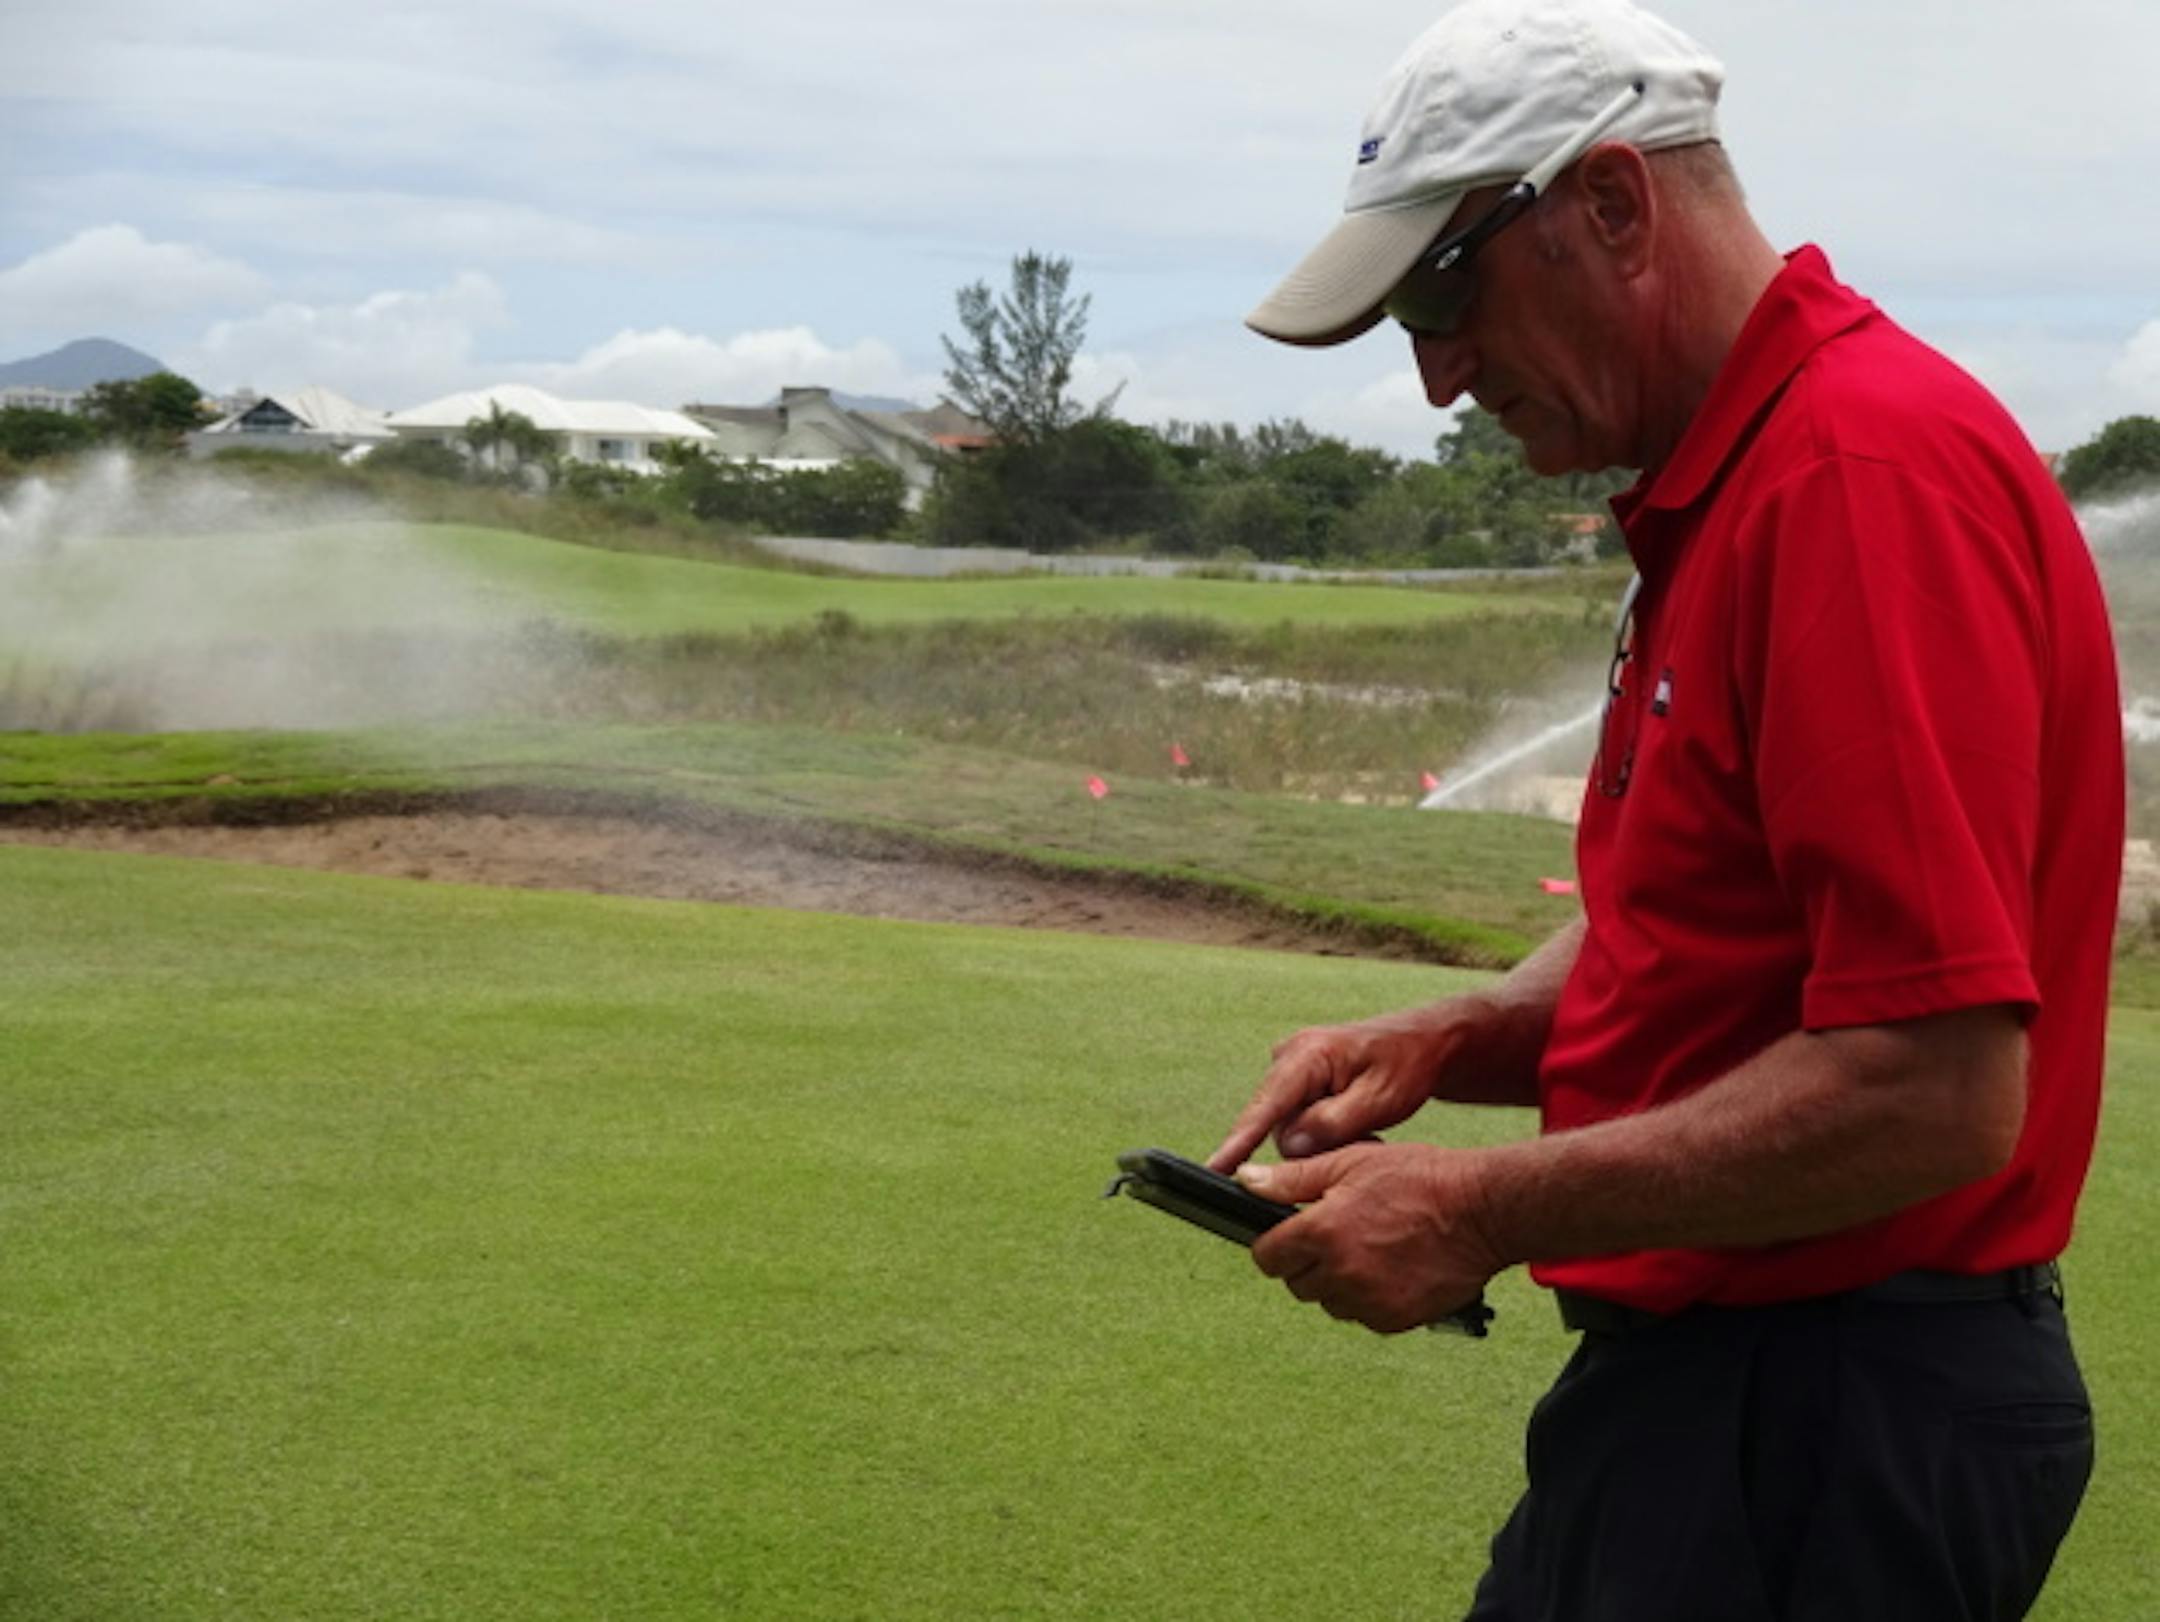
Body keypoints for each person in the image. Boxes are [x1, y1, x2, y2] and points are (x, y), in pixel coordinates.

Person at [1209, 1, 2123, 1616]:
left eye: (1444, 287)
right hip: (1742, 1406)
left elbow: (1933, 1082)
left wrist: (1478, 1206)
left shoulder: (1855, 475)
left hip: (1827, 1421)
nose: (1436, 376)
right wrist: (1466, 1031)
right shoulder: (1742, 476)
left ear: (1614, 206)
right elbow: (1721, 923)